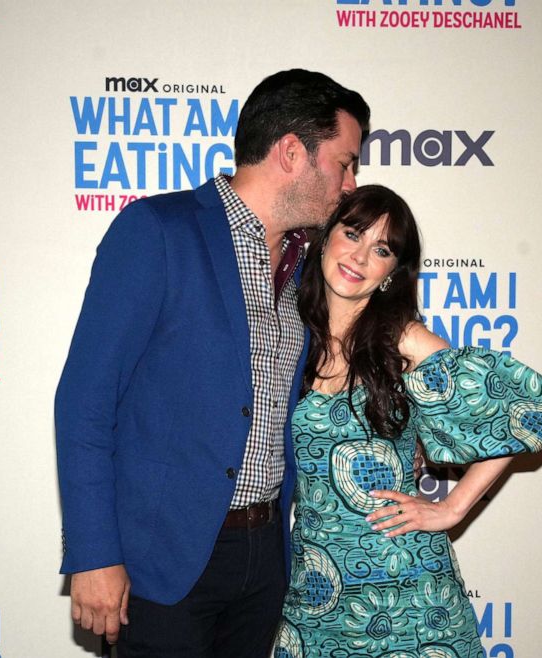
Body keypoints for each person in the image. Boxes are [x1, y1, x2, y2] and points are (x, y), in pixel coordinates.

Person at [54, 69, 370, 657]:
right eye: (345, 162)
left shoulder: (313, 267)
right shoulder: (158, 231)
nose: (351, 184)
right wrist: (95, 554)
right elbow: (84, 404)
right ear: (292, 151)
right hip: (163, 560)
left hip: (267, 557)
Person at [271, 185, 542, 658]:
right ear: (325, 236)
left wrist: (452, 509)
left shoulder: (402, 339)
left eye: (382, 249)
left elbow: (535, 409)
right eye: (352, 234)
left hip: (404, 585)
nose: (360, 256)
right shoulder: (288, 333)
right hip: (315, 588)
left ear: (393, 272)